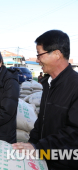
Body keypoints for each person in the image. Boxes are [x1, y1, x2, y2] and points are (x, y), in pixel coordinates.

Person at [12, 30, 78, 170]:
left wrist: (38, 148)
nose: (37, 60)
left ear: (56, 54)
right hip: (43, 160)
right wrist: (31, 145)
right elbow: (42, 121)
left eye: (39, 54)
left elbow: (73, 132)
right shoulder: (48, 84)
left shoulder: (75, 86)